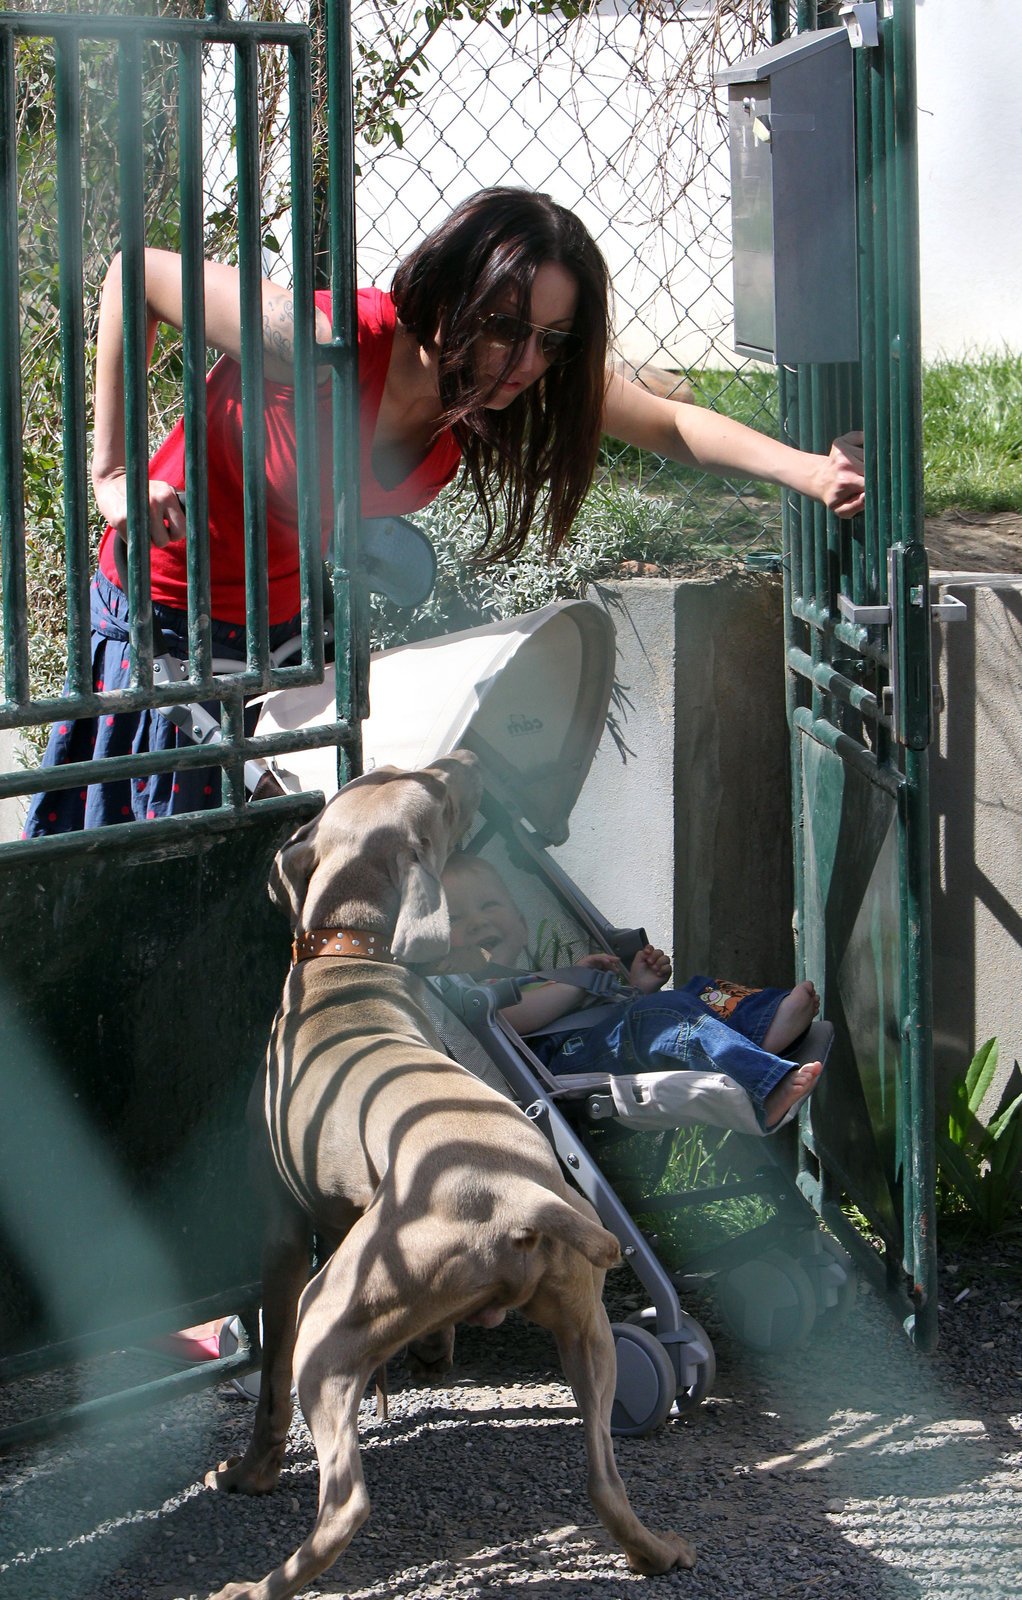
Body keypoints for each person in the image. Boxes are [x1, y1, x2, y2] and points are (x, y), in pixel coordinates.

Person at [24, 186, 865, 836]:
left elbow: (672, 420)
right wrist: (116, 474)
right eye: (506, 327)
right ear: (451, 291)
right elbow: (135, 273)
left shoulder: (486, 388)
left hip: (279, 636)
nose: (529, 361)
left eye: (554, 340)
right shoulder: (322, 344)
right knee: (146, 868)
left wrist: (811, 472)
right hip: (163, 618)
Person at [441, 852, 824, 1134]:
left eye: (489, 905)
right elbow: (514, 1018)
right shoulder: (475, 994)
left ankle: (762, 1030)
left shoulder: (534, 976)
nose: (478, 921)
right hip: (560, 1070)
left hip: (601, 1040)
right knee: (668, 1014)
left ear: (520, 923)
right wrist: (578, 985)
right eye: (456, 918)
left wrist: (636, 987)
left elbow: (602, 1017)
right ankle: (766, 1088)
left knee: (696, 992)